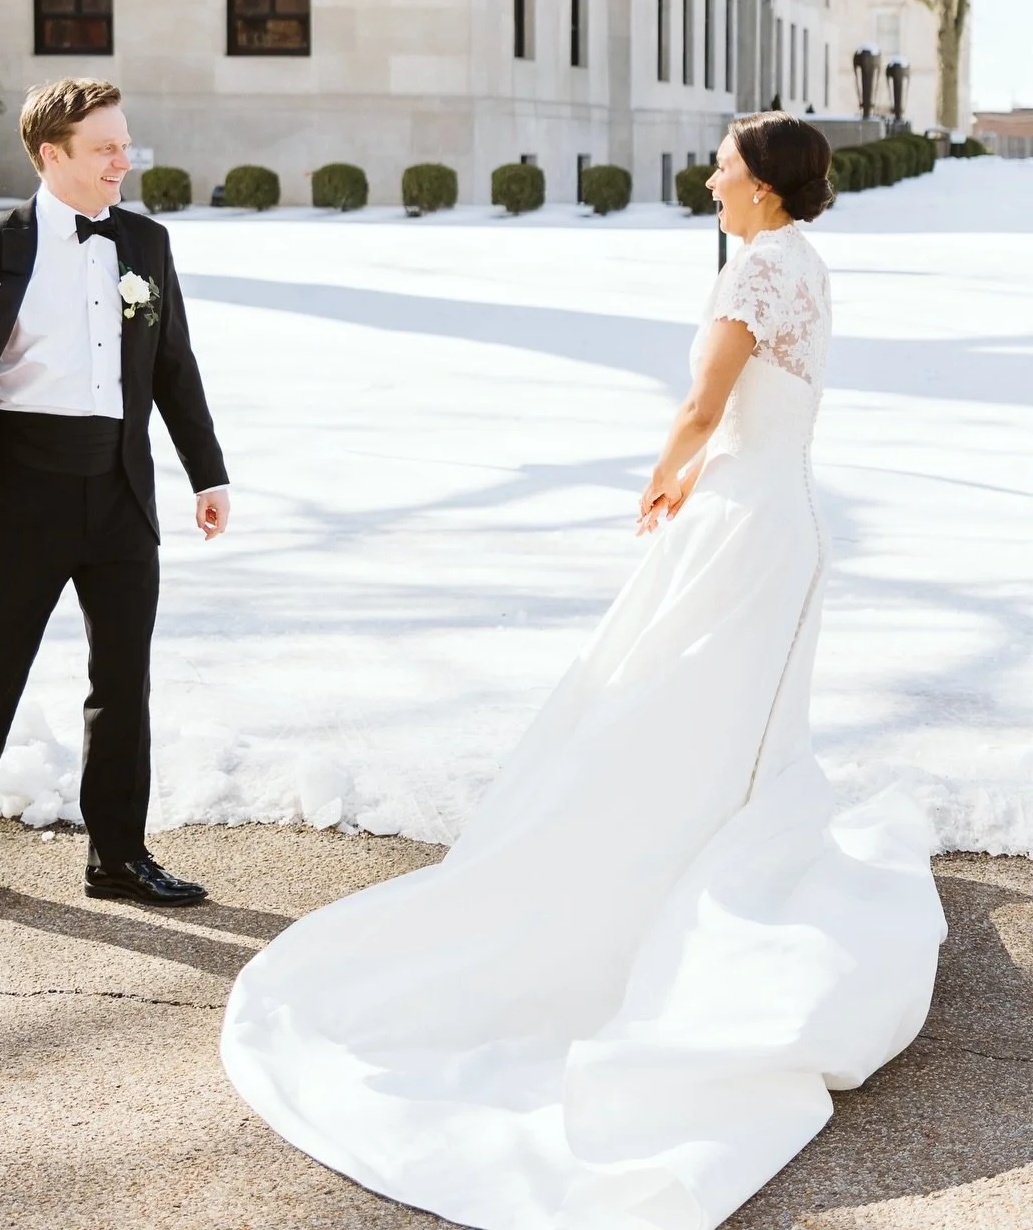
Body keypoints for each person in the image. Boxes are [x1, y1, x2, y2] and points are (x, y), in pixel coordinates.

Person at [221, 112, 946, 1230]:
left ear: (762, 186)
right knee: (729, 719)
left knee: (662, 708)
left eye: (725, 165)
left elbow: (707, 405)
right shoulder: (804, 260)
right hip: (780, 517)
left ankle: (647, 876)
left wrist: (663, 476)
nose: (710, 179)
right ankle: (713, 852)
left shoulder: (756, 267)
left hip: (739, 524)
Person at [0, 78, 230, 917]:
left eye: (124, 142)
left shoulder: (145, 242)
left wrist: (207, 474)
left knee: (121, 681)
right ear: (50, 155)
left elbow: (174, 364)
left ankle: (119, 857)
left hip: (122, 492)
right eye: (104, 147)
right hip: (21, 492)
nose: (122, 160)